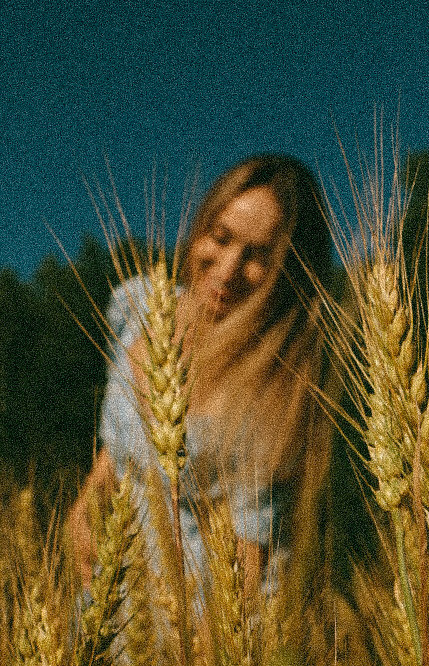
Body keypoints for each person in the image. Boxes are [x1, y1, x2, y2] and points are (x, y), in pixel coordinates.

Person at [70, 154, 334, 597]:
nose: (228, 269)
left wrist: (209, 655)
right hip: (108, 588)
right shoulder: (139, 310)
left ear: (290, 274)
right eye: (221, 237)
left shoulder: (278, 384)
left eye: (259, 257)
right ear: (199, 227)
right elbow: (115, 453)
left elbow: (250, 560)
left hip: (199, 612)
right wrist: (84, 512)